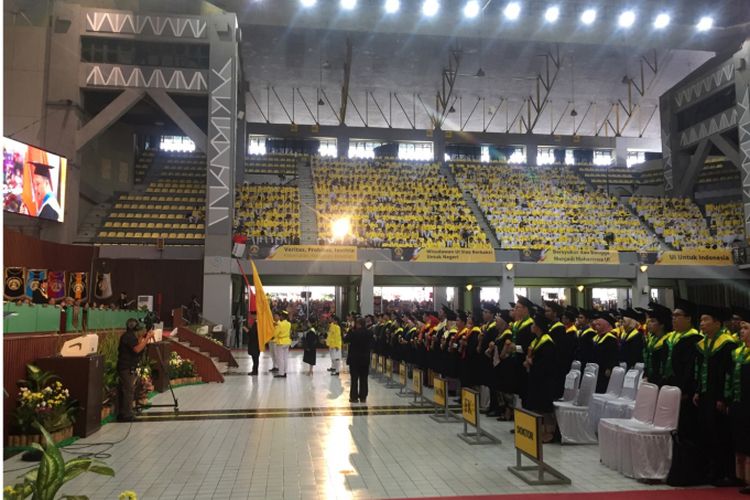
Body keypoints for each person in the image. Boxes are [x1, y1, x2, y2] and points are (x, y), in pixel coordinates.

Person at [692, 304, 739, 487]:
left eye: (706, 320)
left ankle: (726, 472)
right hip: (705, 394)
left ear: (717, 323)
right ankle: (711, 470)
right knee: (707, 432)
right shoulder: (703, 344)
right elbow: (699, 370)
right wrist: (698, 390)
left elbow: (729, 374)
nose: (702, 324)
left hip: (719, 396)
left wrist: (723, 398)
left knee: (722, 434)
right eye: (701, 320)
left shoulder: (727, 344)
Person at [522, 309, 558, 443]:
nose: (531, 326)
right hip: (536, 378)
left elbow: (547, 362)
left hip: (545, 380)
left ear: (538, 327)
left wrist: (532, 362)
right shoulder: (536, 340)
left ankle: (549, 432)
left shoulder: (547, 342)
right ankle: (541, 430)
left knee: (545, 407)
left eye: (533, 324)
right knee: (538, 406)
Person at [726, 312, 750, 495]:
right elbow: (730, 378)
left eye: (746, 328)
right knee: (740, 438)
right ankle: (743, 477)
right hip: (739, 402)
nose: (742, 331)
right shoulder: (737, 352)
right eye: (741, 328)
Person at [117, 318, 154, 422]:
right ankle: (126, 415)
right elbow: (137, 349)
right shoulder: (128, 336)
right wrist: (147, 339)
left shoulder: (129, 336)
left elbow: (135, 344)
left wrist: (143, 337)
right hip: (126, 367)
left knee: (130, 389)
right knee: (128, 390)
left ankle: (126, 412)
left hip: (128, 367)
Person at [590, 312, 619, 393]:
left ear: (606, 325)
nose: (596, 326)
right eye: (596, 325)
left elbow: (613, 355)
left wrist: (609, 367)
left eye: (599, 325)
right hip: (595, 368)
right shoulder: (596, 337)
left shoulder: (610, 339)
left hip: (605, 370)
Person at [345, 317, 372, 403]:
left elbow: (345, 340)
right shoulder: (369, 333)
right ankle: (363, 397)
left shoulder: (354, 333)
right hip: (365, 359)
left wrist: (350, 330)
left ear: (358, 324)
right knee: (364, 379)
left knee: (354, 379)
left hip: (354, 359)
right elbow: (372, 344)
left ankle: (354, 397)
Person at [273, 310, 292, 378]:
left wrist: (275, 327)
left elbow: (275, 334)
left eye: (280, 316)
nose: (280, 317)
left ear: (282, 316)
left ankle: (281, 373)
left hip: (281, 342)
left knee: (280, 358)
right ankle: (285, 371)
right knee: (285, 358)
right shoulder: (289, 323)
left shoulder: (280, 324)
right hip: (287, 341)